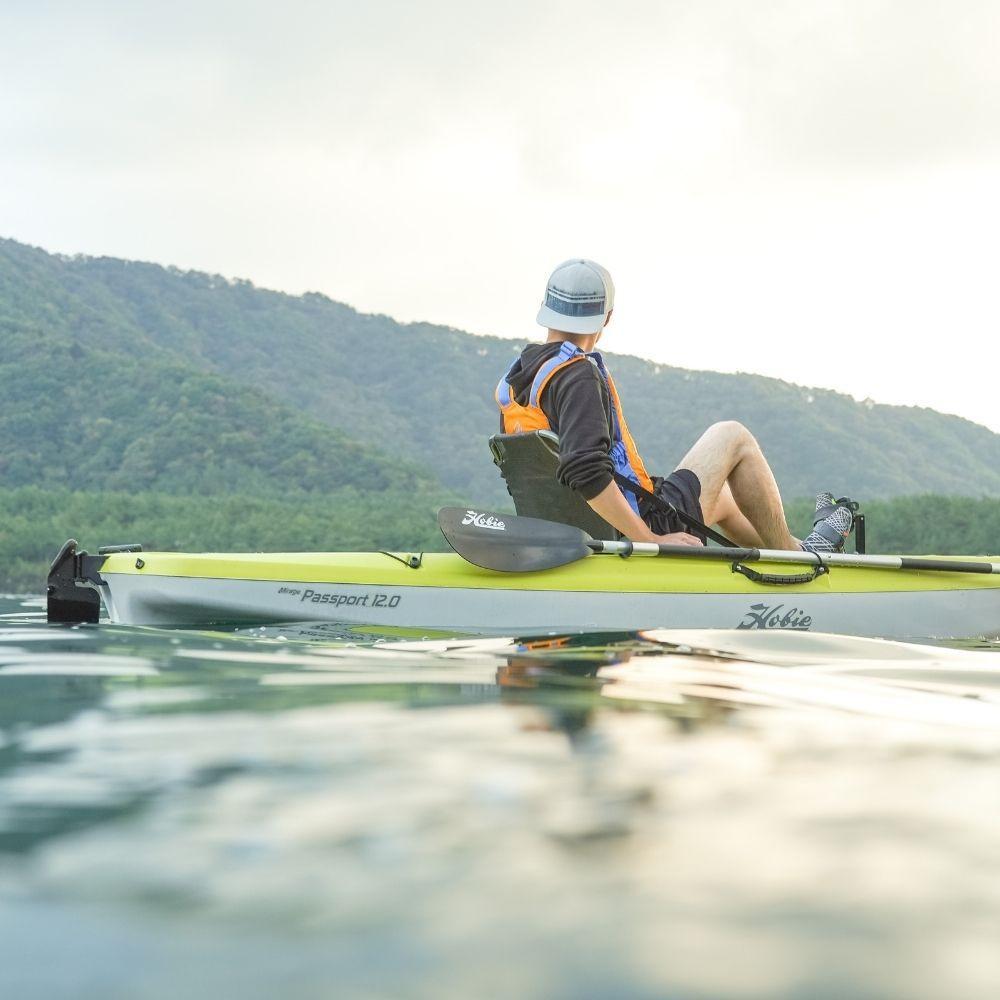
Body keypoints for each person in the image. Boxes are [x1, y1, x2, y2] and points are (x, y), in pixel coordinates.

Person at [494, 258, 854, 553]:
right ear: (606, 317)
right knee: (733, 436)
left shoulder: (519, 380)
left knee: (724, 500)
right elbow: (587, 471)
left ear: (546, 311)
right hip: (635, 526)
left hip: (565, 529)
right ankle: (802, 560)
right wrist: (648, 539)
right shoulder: (577, 376)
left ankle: (791, 552)